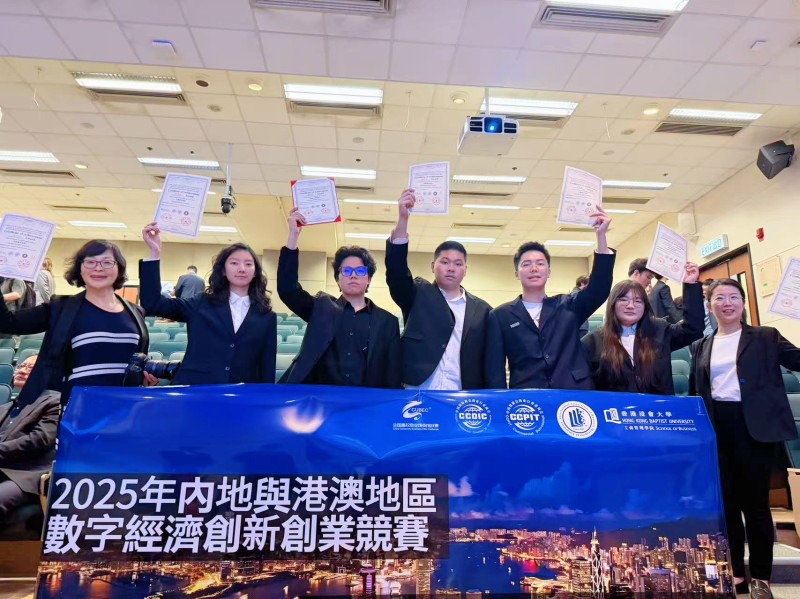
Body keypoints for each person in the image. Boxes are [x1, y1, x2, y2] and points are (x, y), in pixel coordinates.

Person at [691, 279, 800, 599]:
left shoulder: (766, 336)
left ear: (742, 303)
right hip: (717, 429)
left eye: (733, 297)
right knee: (726, 506)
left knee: (756, 506)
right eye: (719, 298)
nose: (727, 303)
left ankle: (761, 578)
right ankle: (735, 573)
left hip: (755, 429)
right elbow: (698, 392)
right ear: (709, 305)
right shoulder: (701, 345)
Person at [0, 241, 151, 407]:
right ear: (80, 268)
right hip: (76, 408)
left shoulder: (135, 312)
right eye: (90, 262)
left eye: (107, 262)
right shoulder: (59, 308)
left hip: (124, 407)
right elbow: (6, 322)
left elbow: (136, 363)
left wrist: (143, 376)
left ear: (119, 268)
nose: (98, 268)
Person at [485, 206, 614, 390]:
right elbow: (495, 370)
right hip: (527, 395)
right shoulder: (500, 316)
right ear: (516, 273)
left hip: (573, 392)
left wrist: (601, 237)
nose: (534, 269)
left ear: (549, 271)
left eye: (540, 263)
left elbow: (599, 289)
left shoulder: (568, 306)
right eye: (526, 264)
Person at [277, 209, 401, 387]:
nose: (353, 275)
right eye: (346, 271)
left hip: (365, 400)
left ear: (369, 279)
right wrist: (293, 236)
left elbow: (392, 376)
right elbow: (287, 289)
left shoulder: (387, 322)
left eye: (360, 271)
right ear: (337, 279)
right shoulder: (320, 308)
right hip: (319, 398)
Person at [140, 223, 277, 384]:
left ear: (255, 272)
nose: (242, 269)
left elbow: (267, 365)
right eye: (234, 263)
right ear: (223, 271)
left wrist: (265, 396)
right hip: (195, 388)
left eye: (248, 264)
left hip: (240, 393)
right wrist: (154, 253)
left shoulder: (266, 316)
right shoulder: (201, 302)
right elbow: (153, 303)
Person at [386, 188, 492, 390]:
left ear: (465, 270)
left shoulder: (483, 310)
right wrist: (403, 219)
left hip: (462, 396)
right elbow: (396, 271)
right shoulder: (417, 295)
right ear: (433, 266)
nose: (451, 268)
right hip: (418, 391)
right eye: (445, 262)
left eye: (458, 264)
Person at [581, 264, 703, 394]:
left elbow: (693, 329)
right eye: (624, 300)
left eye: (638, 301)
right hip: (615, 406)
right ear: (612, 304)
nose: (631, 306)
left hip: (658, 405)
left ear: (645, 306)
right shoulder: (592, 341)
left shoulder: (660, 330)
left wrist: (691, 285)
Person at [0, 389, 61, 524]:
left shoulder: (54, 401)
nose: (20, 373)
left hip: (25, 474)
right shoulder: (7, 407)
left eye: (29, 367)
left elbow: (39, 440)